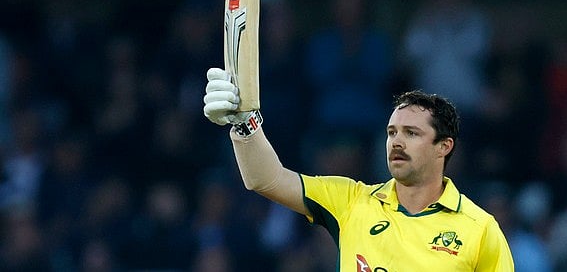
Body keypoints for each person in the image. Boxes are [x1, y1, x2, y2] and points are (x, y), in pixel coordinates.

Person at [202, 67, 514, 271]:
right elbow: (264, 178)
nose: (396, 142)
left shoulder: (480, 229)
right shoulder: (351, 201)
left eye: (412, 133)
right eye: (392, 132)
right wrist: (244, 125)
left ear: (444, 146)